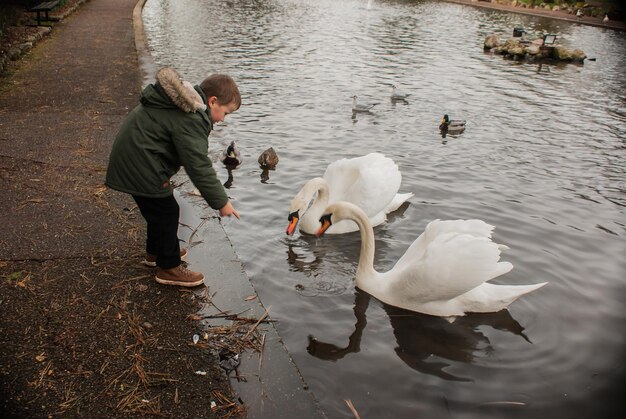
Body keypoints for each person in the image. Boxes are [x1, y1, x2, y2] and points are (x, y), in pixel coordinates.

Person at [105, 67, 241, 287]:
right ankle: (168, 267)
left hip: (135, 158)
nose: (223, 120)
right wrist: (221, 202)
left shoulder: (183, 105)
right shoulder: (191, 118)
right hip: (142, 164)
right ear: (213, 101)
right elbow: (198, 165)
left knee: (158, 210)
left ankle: (156, 253)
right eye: (225, 113)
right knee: (167, 211)